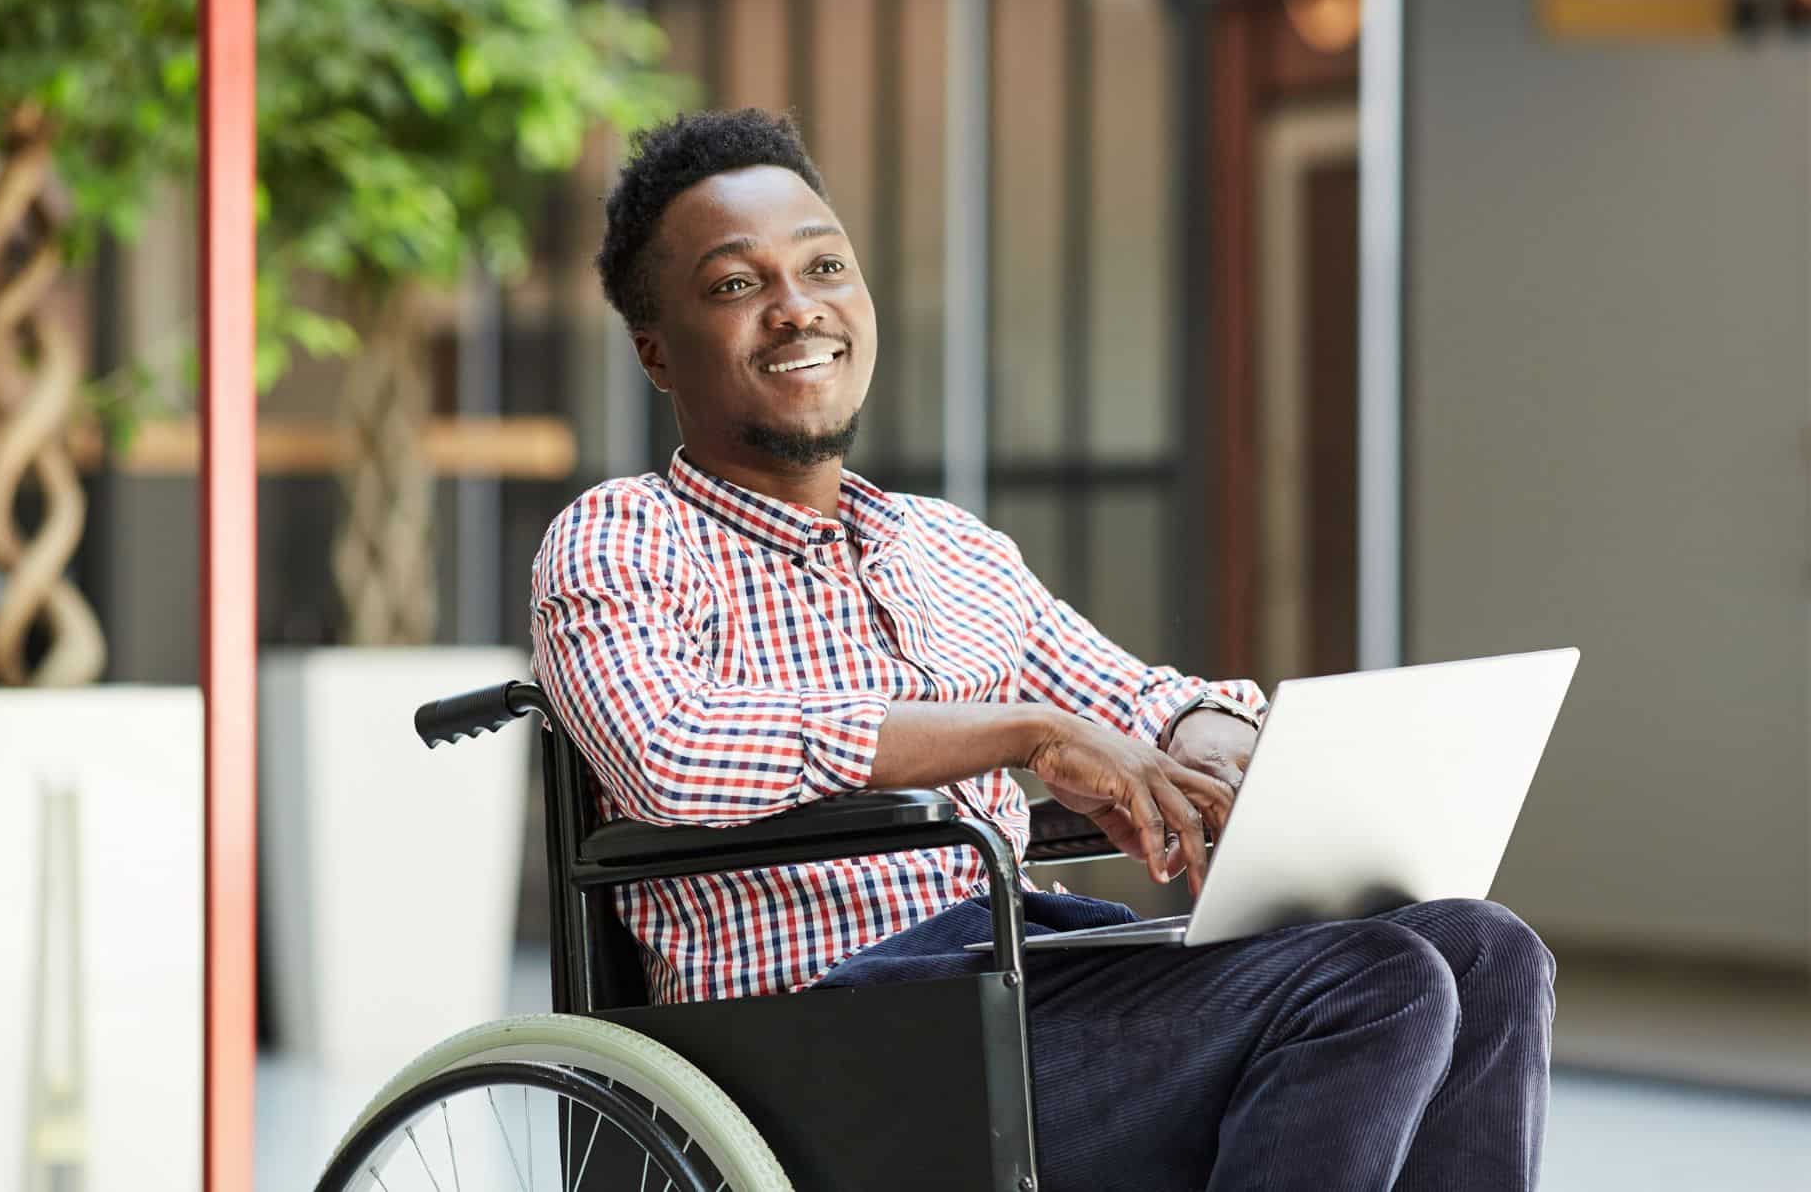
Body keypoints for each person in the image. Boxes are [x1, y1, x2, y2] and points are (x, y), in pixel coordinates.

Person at [531, 108, 1555, 1192]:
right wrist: (1022, 732)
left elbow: (1140, 695)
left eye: (824, 266)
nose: (798, 309)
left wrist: (1210, 739)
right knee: (1375, 984)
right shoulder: (619, 536)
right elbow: (670, 752)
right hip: (821, 1037)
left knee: (1484, 952)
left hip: (1025, 974)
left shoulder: (950, 548)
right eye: (737, 285)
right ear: (656, 349)